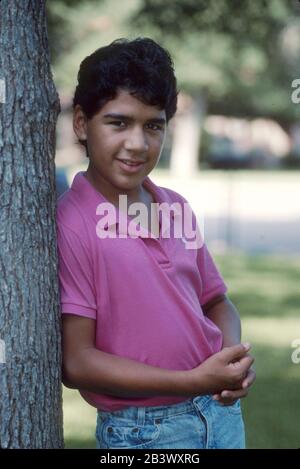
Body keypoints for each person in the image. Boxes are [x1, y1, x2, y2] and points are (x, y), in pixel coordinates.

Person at [57, 37, 255, 450]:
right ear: (81, 123)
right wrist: (191, 380)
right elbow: (77, 362)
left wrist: (230, 360)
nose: (138, 144)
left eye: (153, 125)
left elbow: (217, 301)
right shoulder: (71, 224)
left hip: (219, 414)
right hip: (144, 432)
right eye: (118, 122)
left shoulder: (175, 207)